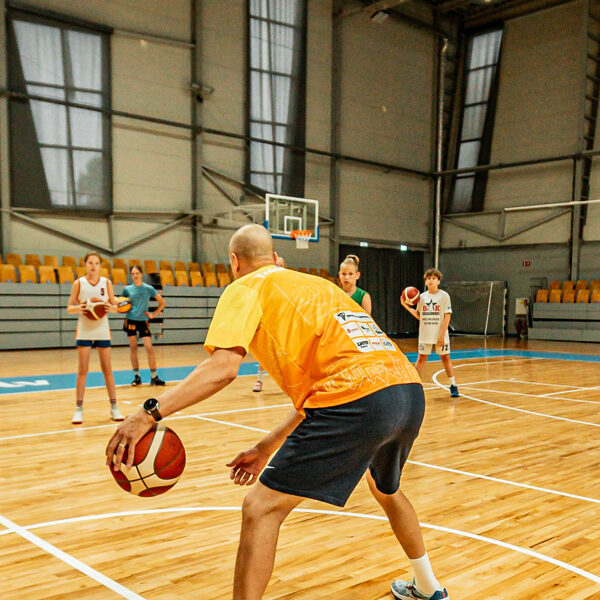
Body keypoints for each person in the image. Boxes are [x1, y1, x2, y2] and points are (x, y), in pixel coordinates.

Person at [107, 224, 449, 600]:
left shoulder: (245, 287)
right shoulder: (320, 285)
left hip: (359, 400)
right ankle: (428, 585)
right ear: (274, 258)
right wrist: (268, 445)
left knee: (260, 509)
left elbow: (223, 368)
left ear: (234, 262)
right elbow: (327, 388)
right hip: (406, 389)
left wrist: (150, 413)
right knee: (386, 490)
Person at [67, 251, 124, 424]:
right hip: (84, 329)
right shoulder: (79, 283)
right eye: (90, 262)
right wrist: (81, 308)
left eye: (96, 263)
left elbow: (115, 307)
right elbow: (69, 307)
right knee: (82, 370)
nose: (93, 265)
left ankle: (114, 407)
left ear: (100, 265)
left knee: (107, 369)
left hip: (102, 329)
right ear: (85, 264)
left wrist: (112, 307)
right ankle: (78, 409)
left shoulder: (106, 283)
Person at [401, 268, 459, 398]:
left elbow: (447, 316)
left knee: (445, 358)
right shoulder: (421, 297)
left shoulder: (444, 296)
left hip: (440, 333)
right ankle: (415, 387)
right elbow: (420, 315)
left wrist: (442, 335)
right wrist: (407, 307)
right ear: (426, 281)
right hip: (425, 333)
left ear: (438, 281)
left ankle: (453, 385)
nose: (431, 280)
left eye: (433, 278)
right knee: (421, 358)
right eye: (428, 278)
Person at [122, 265, 166, 386]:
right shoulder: (127, 289)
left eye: (137, 273)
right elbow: (122, 303)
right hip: (130, 320)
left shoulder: (148, 288)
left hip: (143, 321)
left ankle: (154, 377)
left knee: (149, 348)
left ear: (141, 274)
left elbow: (162, 303)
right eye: (133, 274)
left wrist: (153, 315)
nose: (135, 275)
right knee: (133, 348)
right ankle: (137, 377)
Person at [252, 254, 285, 392]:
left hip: (283, 323)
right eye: (276, 266)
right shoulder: (265, 284)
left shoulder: (286, 285)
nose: (278, 268)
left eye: (280, 266)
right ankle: (259, 380)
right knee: (265, 355)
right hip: (268, 322)